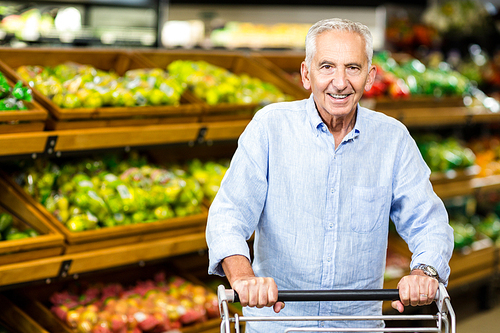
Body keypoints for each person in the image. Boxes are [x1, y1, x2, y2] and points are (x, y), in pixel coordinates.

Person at [206, 17, 454, 332]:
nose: (340, 82)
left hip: (356, 326)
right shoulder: (270, 127)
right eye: (327, 67)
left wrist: (424, 272)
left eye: (353, 67)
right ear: (306, 75)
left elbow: (429, 221)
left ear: (370, 76)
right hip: (278, 325)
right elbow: (229, 214)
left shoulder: (393, 139)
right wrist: (243, 279)